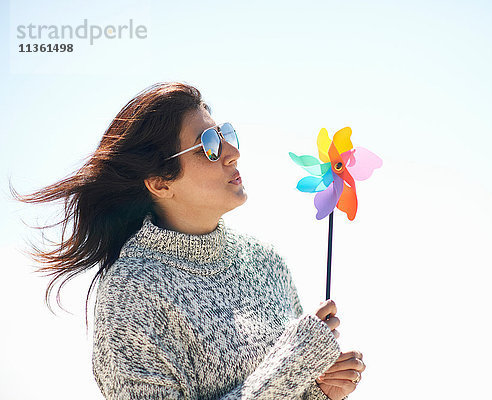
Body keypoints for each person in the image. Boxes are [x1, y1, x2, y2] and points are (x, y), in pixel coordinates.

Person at [13, 82, 366, 399]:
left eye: (225, 134)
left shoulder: (265, 260)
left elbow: (289, 387)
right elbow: (285, 370)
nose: (232, 152)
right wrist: (294, 362)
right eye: (208, 146)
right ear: (160, 183)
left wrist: (320, 392)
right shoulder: (130, 292)